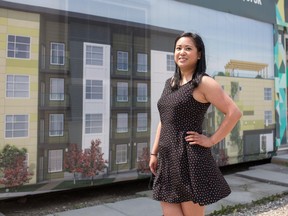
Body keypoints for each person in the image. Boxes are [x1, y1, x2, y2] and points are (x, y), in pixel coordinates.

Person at [149, 32, 242, 216]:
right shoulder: (171, 83)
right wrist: (154, 152)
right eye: (178, 48)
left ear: (199, 54)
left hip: (189, 159)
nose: (182, 52)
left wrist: (211, 140)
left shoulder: (203, 83)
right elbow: (164, 120)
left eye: (188, 48)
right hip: (167, 160)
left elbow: (234, 113)